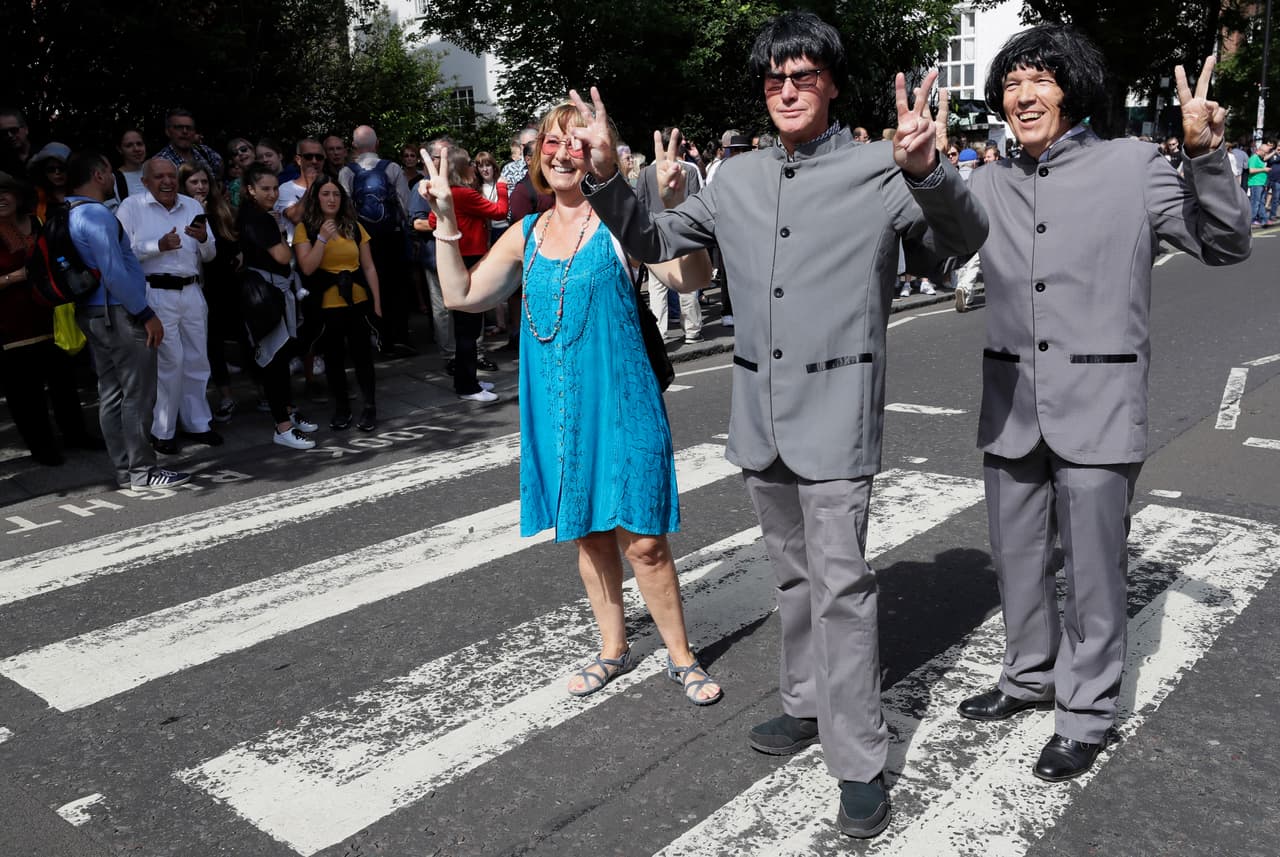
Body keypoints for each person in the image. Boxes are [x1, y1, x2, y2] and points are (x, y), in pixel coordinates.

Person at [571, 10, 987, 838]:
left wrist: (931, 171)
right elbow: (656, 236)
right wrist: (609, 172)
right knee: (792, 578)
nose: (787, 90)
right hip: (759, 419)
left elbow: (957, 247)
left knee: (842, 589)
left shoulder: (881, 167)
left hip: (836, 418)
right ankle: (804, 702)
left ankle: (860, 758)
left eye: (802, 77)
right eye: (774, 79)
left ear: (830, 83)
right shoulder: (739, 179)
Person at [955, 25, 1250, 783]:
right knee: (1016, 558)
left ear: (1074, 89)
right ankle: (1027, 676)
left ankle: (1085, 712)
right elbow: (929, 242)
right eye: (1013, 81)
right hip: (1011, 403)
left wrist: (1207, 155)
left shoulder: (1134, 166)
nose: (1024, 94)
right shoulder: (987, 179)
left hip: (1100, 406)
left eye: (1041, 78)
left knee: (1094, 571)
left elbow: (1224, 245)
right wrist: (922, 170)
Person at [416, 102, 723, 710]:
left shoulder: (616, 221)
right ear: (537, 157)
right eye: (551, 143)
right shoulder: (526, 233)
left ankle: (681, 657)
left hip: (625, 400)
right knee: (589, 535)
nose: (561, 152)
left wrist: (673, 203)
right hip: (559, 406)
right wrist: (447, 221)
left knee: (645, 542)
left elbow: (692, 278)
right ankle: (613, 650)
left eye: (576, 143)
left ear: (598, 153)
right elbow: (462, 295)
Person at [64, 149, 190, 489]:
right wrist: (145, 313)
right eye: (107, 170)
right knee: (137, 393)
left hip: (92, 312)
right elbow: (114, 272)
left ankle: (125, 469)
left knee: (111, 392)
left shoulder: (69, 212)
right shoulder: (97, 215)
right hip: (118, 312)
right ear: (99, 174)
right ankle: (142, 471)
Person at [116, 158, 220, 454]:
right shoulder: (131, 207)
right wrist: (156, 246)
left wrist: (202, 240)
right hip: (156, 292)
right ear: (145, 181)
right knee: (170, 362)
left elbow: (210, 253)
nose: (167, 182)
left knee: (198, 358)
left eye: (171, 176)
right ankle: (163, 431)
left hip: (192, 290)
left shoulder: (192, 205)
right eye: (159, 176)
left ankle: (198, 423)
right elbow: (122, 254)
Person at [0, 170, 102, 465]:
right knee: (24, 392)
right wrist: (13, 277)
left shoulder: (37, 222)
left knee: (63, 383)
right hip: (10, 325)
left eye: (6, 192)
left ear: (18, 195)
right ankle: (42, 447)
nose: (2, 198)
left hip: (53, 318)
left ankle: (76, 435)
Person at [237, 162, 319, 450]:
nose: (272, 194)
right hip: (265, 295)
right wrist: (277, 229)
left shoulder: (259, 215)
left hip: (275, 291)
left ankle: (287, 411)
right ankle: (281, 427)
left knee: (282, 357)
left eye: (274, 188)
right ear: (250, 190)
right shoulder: (257, 218)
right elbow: (284, 256)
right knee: (273, 359)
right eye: (265, 189)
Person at [294, 175, 381, 432]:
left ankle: (369, 406)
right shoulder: (306, 229)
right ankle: (342, 408)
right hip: (327, 304)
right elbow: (307, 268)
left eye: (336, 194)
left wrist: (377, 304)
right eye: (325, 194)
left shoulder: (354, 226)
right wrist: (321, 238)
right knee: (333, 359)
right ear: (316, 197)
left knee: (363, 356)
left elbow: (368, 266)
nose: (331, 199)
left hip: (357, 301)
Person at [423, 147, 507, 402]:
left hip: (458, 259)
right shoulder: (465, 194)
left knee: (465, 327)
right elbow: (500, 211)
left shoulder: (452, 195)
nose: (474, 167)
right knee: (469, 328)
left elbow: (432, 221)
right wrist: (501, 187)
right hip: (469, 260)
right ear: (461, 169)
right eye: (470, 163)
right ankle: (468, 386)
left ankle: (467, 379)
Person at [340, 125, 414, 356]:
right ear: (377, 143)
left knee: (371, 287)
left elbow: (346, 207)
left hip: (363, 239)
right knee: (396, 288)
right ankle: (400, 336)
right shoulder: (391, 168)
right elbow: (405, 204)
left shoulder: (346, 172)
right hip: (391, 237)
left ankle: (378, 337)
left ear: (354, 146)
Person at [179, 162, 243, 425]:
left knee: (244, 338)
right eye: (194, 182)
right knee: (211, 345)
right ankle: (225, 396)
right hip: (198, 289)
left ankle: (264, 390)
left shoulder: (222, 210)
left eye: (204, 182)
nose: (201, 187)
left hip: (226, 285)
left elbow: (231, 245)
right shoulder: (178, 214)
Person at [635, 129, 704, 344]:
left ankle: (660, 332)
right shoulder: (689, 170)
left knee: (657, 289)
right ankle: (692, 330)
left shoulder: (646, 173)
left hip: (655, 232)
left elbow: (640, 203)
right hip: (682, 231)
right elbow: (697, 201)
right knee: (687, 285)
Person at [155, 108, 222, 176]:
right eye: (179, 127)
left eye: (189, 128)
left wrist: (219, 181)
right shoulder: (159, 162)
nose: (185, 131)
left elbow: (220, 165)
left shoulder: (204, 151)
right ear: (167, 132)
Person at [28, 142, 70, 220]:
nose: (57, 173)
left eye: (62, 168)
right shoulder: (37, 198)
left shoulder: (81, 193)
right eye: (51, 169)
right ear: (44, 173)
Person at [112, 129, 147, 206]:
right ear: (119, 149)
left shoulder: (156, 172)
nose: (136, 149)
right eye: (129, 145)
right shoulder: (114, 180)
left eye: (139, 144)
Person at [1246, 140, 1272, 226]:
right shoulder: (1254, 158)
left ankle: (1263, 219)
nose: (1265, 154)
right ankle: (1252, 219)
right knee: (1255, 202)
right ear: (1260, 150)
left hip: (1261, 183)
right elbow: (1251, 170)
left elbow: (1265, 158)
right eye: (1265, 152)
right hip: (1255, 183)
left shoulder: (1259, 158)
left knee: (1261, 202)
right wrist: (1264, 169)